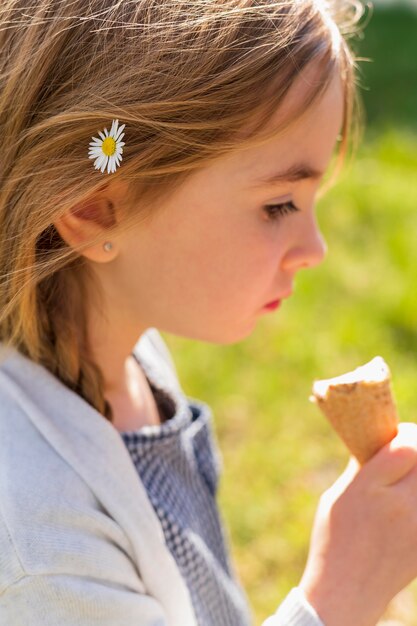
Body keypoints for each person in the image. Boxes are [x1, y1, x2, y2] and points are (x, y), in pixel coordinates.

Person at [2, 1, 417, 625]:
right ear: (93, 207)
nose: (316, 250)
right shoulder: (40, 540)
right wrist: (341, 594)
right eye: (279, 204)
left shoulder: (129, 356)